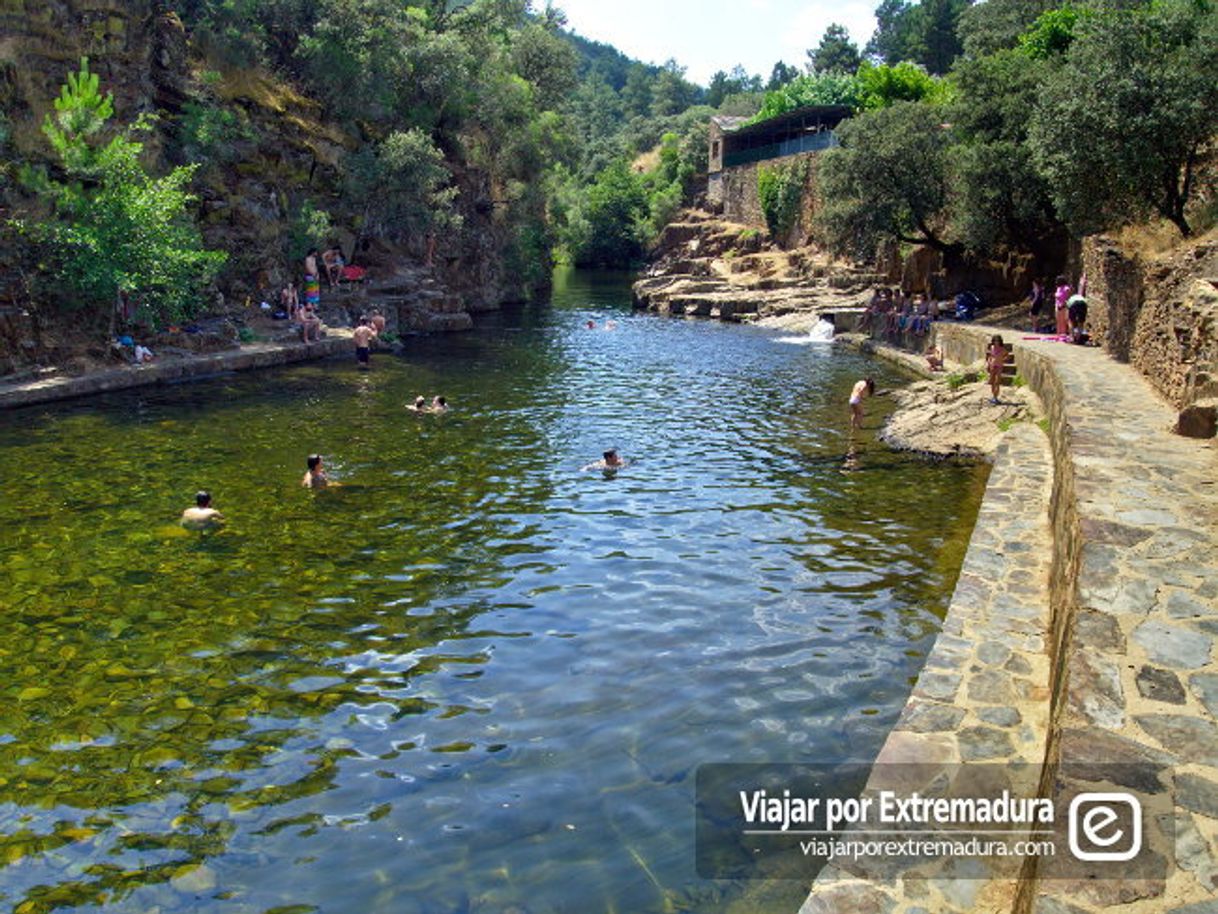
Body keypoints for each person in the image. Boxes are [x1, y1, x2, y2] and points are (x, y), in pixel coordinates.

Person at [986, 334, 1009, 404]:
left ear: (1000, 341)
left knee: (997, 382)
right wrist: (989, 363)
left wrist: (1002, 359)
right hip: (992, 365)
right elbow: (990, 356)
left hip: (999, 366)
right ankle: (993, 396)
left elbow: (1007, 355)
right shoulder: (992, 347)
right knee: (992, 382)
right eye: (995, 341)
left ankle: (996, 397)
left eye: (998, 341)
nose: (996, 342)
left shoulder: (1002, 349)